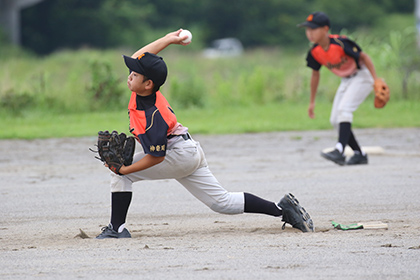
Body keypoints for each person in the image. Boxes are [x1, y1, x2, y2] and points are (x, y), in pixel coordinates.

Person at [96, 29, 314, 239]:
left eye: (134, 74)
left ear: (148, 83)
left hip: (177, 154)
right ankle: (282, 209)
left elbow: (157, 157)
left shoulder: (154, 115)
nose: (129, 77)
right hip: (188, 150)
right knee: (222, 203)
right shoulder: (142, 90)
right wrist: (168, 39)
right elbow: (140, 56)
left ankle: (117, 228)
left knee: (120, 175)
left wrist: (126, 169)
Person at [298, 12, 381, 166]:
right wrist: (312, 102)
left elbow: (364, 57)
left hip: (362, 76)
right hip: (346, 80)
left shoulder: (340, 43)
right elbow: (315, 75)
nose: (309, 33)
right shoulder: (314, 52)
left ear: (325, 29)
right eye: (307, 29)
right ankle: (359, 154)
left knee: (344, 110)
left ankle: (340, 150)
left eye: (313, 29)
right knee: (335, 120)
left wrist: (376, 80)